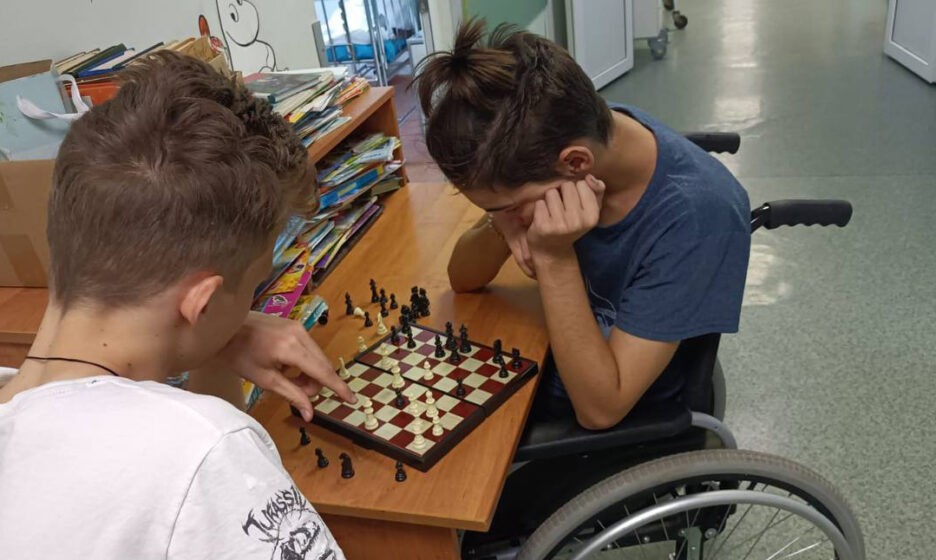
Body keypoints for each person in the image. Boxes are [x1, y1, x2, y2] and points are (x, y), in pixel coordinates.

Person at [0, 52, 354, 559]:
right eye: (256, 284)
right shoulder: (205, 452)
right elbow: (191, 475)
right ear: (201, 304)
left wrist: (213, 345)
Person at [415, 20, 751, 430]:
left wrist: (554, 259)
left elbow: (600, 411)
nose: (506, 215)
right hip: (542, 358)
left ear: (576, 163)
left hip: (604, 415)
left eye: (508, 206)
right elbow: (462, 278)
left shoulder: (698, 217)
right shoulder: (580, 130)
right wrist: (503, 225)